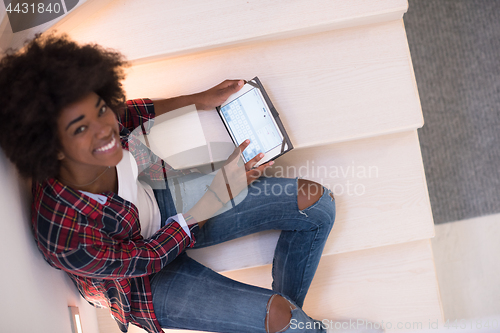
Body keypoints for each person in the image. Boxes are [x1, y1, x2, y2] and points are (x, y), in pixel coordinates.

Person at [0, 34, 339, 333]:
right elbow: (147, 258)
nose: (104, 128)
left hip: (163, 203)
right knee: (283, 318)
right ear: (51, 147)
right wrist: (217, 193)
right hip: (140, 284)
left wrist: (202, 99)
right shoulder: (63, 234)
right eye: (79, 128)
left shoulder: (101, 124)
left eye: (101, 109)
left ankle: (297, 323)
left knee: (316, 204)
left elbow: (130, 113)